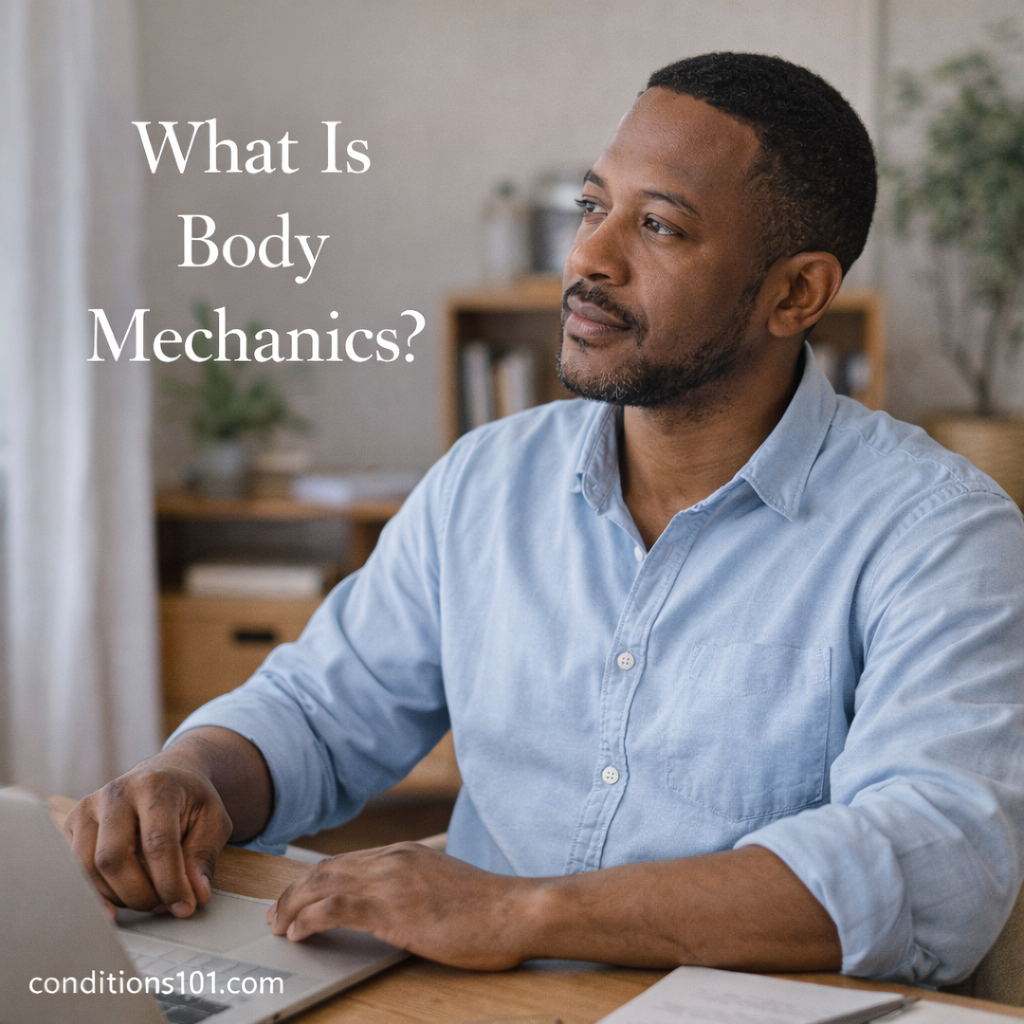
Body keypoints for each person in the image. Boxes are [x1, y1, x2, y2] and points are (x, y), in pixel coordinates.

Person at [65, 53, 1024, 987]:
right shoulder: (487, 480)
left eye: (658, 226)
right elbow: (317, 713)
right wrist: (188, 778)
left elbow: (927, 861)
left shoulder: (942, 536)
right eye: (593, 205)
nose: (589, 258)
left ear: (796, 292)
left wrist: (519, 913)